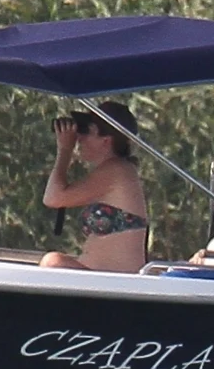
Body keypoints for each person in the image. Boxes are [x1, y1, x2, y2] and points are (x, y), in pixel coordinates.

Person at [40, 100, 148, 273]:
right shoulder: (116, 170)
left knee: (52, 261)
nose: (79, 138)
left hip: (115, 283)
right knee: (54, 261)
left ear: (106, 140)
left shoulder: (117, 170)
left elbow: (53, 198)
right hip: (100, 278)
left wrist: (65, 151)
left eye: (86, 130)